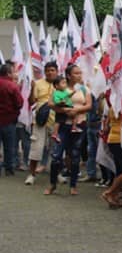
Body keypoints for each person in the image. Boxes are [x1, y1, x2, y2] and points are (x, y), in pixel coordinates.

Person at [44, 64, 92, 196]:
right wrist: (64, 110)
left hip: (79, 125)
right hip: (63, 125)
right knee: (56, 156)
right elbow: (51, 104)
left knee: (75, 155)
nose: (79, 75)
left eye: (80, 73)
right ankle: (52, 184)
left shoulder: (84, 89)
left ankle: (73, 185)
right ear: (69, 75)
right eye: (76, 73)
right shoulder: (59, 88)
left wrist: (77, 110)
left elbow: (89, 106)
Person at [26, 61, 58, 185]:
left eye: (52, 70)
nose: (50, 72)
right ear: (44, 72)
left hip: (56, 122)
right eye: (48, 70)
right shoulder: (38, 83)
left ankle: (57, 174)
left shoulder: (61, 84)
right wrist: (32, 88)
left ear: (57, 71)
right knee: (36, 148)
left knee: (56, 149)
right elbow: (30, 102)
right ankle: (31, 175)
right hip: (40, 121)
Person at [100, 107, 122, 208]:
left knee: (119, 170)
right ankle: (109, 193)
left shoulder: (112, 106)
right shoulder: (120, 106)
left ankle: (114, 197)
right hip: (119, 140)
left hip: (114, 139)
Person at [0, 63, 24, 176]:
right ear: (9, 73)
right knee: (9, 146)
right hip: (9, 120)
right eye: (14, 71)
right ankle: (9, 168)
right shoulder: (12, 86)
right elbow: (19, 103)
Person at [50, 76, 80, 143]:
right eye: (63, 83)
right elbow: (56, 101)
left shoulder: (64, 91)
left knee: (61, 120)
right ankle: (55, 133)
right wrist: (61, 102)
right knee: (58, 121)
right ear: (56, 86)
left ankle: (73, 127)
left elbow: (68, 96)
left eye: (65, 83)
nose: (65, 85)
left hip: (67, 106)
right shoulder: (56, 93)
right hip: (63, 106)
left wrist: (73, 93)